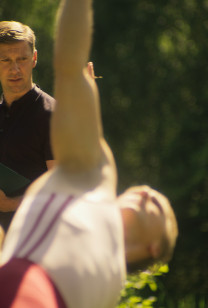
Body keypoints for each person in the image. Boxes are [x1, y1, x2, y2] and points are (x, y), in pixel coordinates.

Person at [0, 0, 178, 307]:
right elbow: (69, 65)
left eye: (158, 208)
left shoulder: (109, 287)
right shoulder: (90, 182)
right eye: (153, 192)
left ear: (152, 248)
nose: (148, 192)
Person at [0, 21, 55, 232]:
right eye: (6, 60)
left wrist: (11, 204)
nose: (15, 69)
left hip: (35, 243)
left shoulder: (51, 115)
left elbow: (61, 193)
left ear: (34, 59)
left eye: (21, 59)